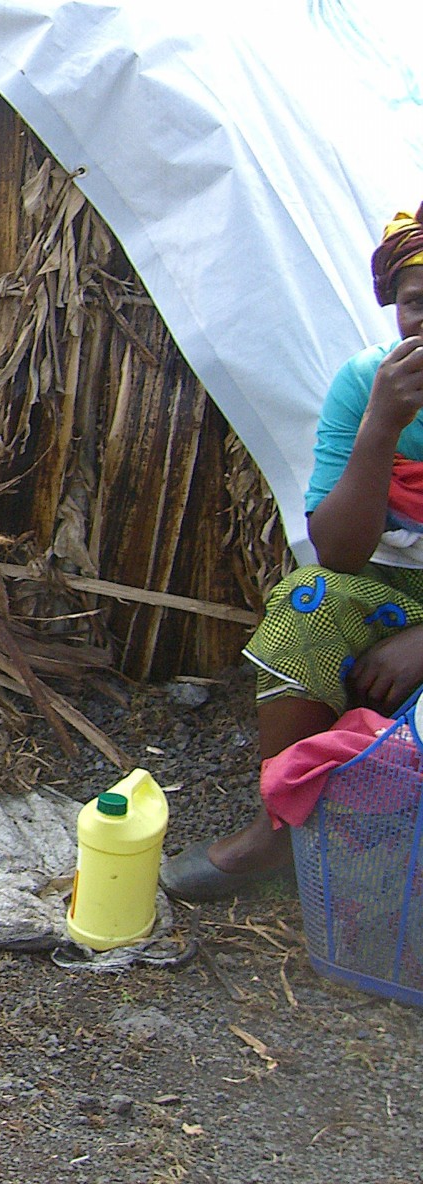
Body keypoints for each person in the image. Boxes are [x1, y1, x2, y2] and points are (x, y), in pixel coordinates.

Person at [166, 206, 423, 899]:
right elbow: (339, 554)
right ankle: (279, 832)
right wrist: (381, 425)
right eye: (416, 305)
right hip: (394, 591)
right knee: (309, 603)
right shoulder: (370, 384)